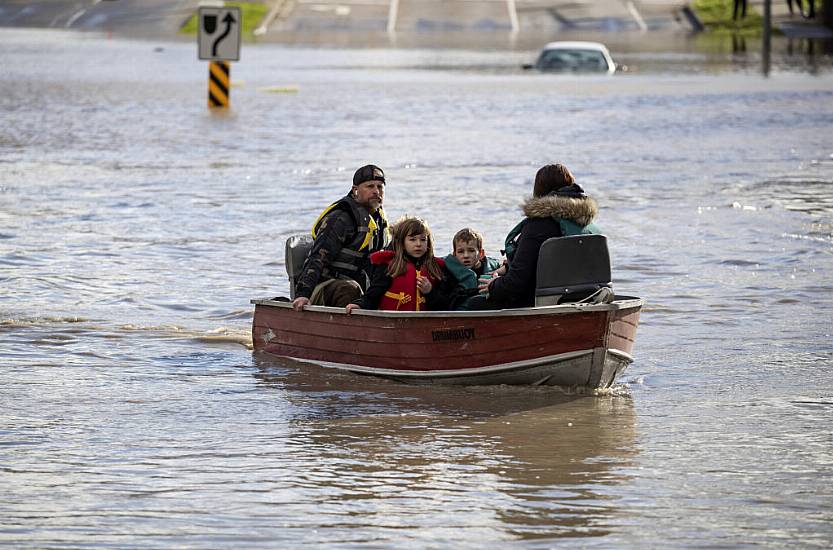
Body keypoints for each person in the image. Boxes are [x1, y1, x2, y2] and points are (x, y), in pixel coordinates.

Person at [464, 164, 601, 310]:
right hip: (587, 297)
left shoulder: (538, 225)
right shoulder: (588, 226)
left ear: (539, 190)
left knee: (472, 303)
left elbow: (517, 282)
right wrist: (508, 267)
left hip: (540, 303)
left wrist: (494, 286)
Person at [291, 164, 390, 311]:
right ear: (355, 190)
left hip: (362, 288)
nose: (376, 191)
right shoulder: (340, 218)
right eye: (370, 186)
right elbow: (317, 257)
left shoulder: (379, 220)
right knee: (349, 288)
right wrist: (303, 294)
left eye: (380, 187)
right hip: (325, 286)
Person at [346, 216, 455, 313]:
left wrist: (430, 292)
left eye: (423, 240)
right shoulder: (390, 266)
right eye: (412, 239)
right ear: (402, 243)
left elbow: (446, 304)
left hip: (425, 324)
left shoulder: (436, 268)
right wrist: (360, 304)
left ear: (428, 243)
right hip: (394, 323)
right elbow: (374, 294)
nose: (418, 244)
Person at [443, 227, 503, 309]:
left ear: (481, 253)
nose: (466, 256)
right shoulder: (448, 271)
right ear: (454, 255)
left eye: (471, 251)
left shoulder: (494, 267)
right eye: (460, 252)